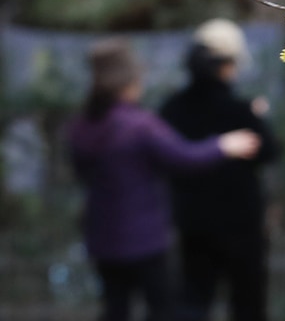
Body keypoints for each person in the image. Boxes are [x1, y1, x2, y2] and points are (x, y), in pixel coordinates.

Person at [68, 37, 261, 321]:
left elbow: (82, 171)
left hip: (102, 237)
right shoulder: (138, 125)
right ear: (129, 82)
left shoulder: (82, 126)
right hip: (144, 240)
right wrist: (223, 146)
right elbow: (183, 156)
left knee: (114, 308)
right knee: (162, 309)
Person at [159, 19, 280, 321]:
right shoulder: (240, 110)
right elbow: (270, 151)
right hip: (241, 225)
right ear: (226, 65)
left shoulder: (172, 109)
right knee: (248, 305)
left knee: (193, 302)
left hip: (193, 223)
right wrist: (256, 118)